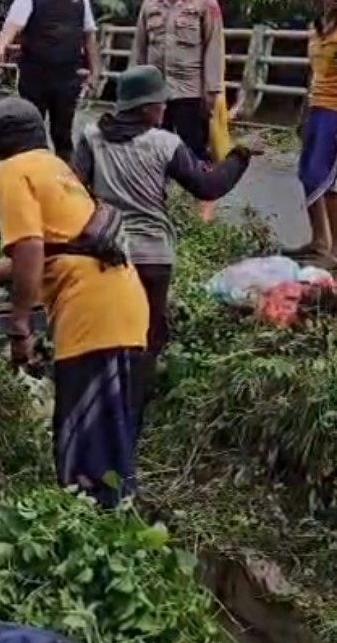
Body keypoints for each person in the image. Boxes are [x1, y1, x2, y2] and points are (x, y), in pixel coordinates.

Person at [0, 97, 148, 508]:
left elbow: (29, 252)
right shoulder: (55, 167)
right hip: (124, 302)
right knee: (110, 431)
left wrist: (19, 326)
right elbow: (55, 248)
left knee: (85, 448)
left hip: (89, 314)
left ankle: (94, 527)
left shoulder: (10, 172)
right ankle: (118, 521)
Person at [73, 65, 257, 423]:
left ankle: (100, 408)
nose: (164, 110)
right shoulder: (164, 143)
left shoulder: (92, 135)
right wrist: (241, 155)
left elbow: (76, 191)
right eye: (160, 104)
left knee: (108, 331)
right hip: (153, 256)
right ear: (145, 108)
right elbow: (208, 186)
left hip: (106, 253)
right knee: (147, 336)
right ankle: (131, 417)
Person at [131, 0, 225, 219]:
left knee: (194, 152)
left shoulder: (204, 3)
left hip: (190, 91)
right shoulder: (150, 4)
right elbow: (139, 49)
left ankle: (200, 213)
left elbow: (214, 47)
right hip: (155, 94)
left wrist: (212, 90)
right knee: (152, 151)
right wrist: (134, 91)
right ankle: (154, 207)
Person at [0, 0, 101, 163]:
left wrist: (96, 71)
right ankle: (32, 177)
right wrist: (1, 46)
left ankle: (65, 179)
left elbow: (89, 36)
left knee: (63, 134)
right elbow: (12, 26)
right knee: (31, 131)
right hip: (35, 77)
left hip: (67, 77)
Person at [288, 0, 337, 262]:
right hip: (316, 108)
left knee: (328, 178)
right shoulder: (317, 29)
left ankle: (334, 251)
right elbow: (312, 74)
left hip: (335, 110)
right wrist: (303, 112)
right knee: (307, 175)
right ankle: (318, 240)